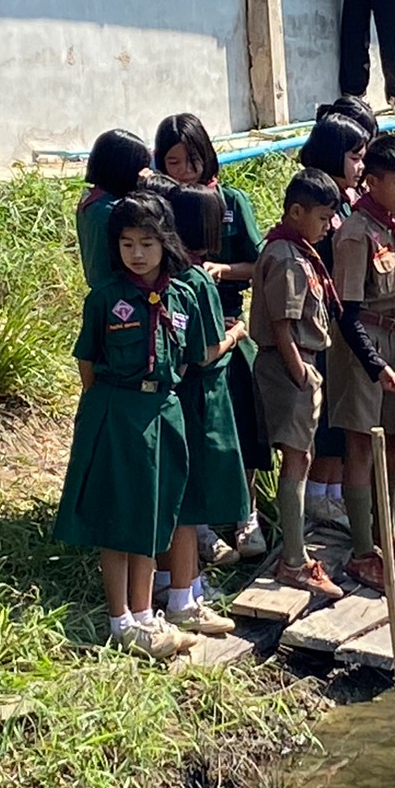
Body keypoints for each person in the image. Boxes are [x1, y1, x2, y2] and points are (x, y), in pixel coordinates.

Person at [56, 193, 205, 660]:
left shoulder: (184, 295)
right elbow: (88, 361)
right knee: (116, 516)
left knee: (151, 516)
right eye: (126, 244)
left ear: (165, 243)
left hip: (163, 411)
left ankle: (145, 616)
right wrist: (105, 410)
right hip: (117, 412)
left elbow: (195, 355)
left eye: (146, 243)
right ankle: (119, 618)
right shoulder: (105, 298)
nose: (137, 254)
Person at [154, 114, 270, 562]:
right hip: (180, 335)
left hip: (227, 323)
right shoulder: (159, 208)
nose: (184, 171)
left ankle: (246, 516)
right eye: (173, 161)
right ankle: (199, 528)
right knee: (193, 433)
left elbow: (259, 262)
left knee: (242, 425)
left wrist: (222, 271)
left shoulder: (230, 201)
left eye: (192, 160)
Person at [328, 134, 395, 599]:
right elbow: (345, 309)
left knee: (394, 443)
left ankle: (386, 531)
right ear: (373, 180)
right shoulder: (355, 232)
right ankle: (363, 546)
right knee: (362, 446)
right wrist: (373, 364)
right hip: (363, 342)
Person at [249, 169, 345, 599]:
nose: (327, 227)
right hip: (289, 367)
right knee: (297, 458)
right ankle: (294, 558)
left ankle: (292, 548)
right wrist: (300, 372)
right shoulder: (288, 257)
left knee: (297, 457)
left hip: (295, 364)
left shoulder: (297, 249)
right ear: (296, 211)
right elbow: (282, 323)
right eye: (323, 218)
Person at [160, 185, 247, 636]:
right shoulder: (198, 283)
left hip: (172, 397)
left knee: (174, 497)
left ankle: (168, 580)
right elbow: (206, 352)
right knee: (191, 503)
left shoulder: (165, 277)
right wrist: (237, 332)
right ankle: (185, 593)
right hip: (201, 397)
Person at [298, 112, 372, 530]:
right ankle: (318, 493)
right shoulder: (319, 193)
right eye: (355, 157)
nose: (360, 167)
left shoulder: (346, 198)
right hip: (322, 317)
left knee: (342, 408)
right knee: (326, 414)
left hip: (342, 315)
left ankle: (334, 491)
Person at [80, 129, 152, 288]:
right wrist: (146, 188)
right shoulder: (113, 210)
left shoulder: (91, 197)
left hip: (100, 287)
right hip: (118, 291)